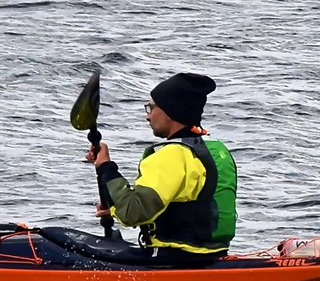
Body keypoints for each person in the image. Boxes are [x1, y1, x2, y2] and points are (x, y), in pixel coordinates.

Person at [85, 72, 238, 265]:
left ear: (169, 111)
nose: (147, 115)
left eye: (151, 107)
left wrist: (107, 167)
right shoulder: (218, 150)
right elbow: (189, 206)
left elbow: (132, 213)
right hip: (210, 256)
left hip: (172, 259)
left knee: (56, 242)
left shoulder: (171, 155)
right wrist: (114, 208)